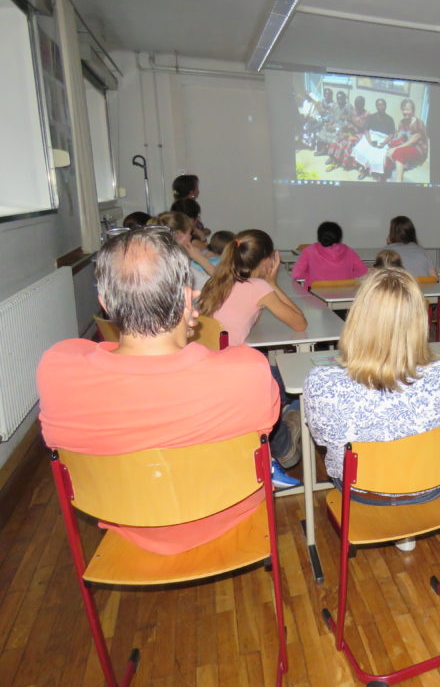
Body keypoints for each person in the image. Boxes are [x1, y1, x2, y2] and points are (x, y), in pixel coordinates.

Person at [36, 228, 293, 556]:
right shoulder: (248, 370)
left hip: (127, 522)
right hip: (230, 516)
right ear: (188, 298)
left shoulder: (56, 370)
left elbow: (93, 354)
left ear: (105, 303)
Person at [304, 268, 440, 550]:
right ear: (419, 321)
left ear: (357, 319)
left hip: (360, 489)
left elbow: (322, 440)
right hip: (430, 484)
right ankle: (405, 526)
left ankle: (396, 512)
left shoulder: (321, 382)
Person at [198, 229, 307, 345]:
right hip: (227, 358)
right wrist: (272, 284)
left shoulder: (216, 280)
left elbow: (252, 320)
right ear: (266, 261)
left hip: (203, 355)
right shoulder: (258, 287)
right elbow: (301, 324)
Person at [151, 211, 216, 289]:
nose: (191, 237)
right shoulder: (181, 267)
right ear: (180, 236)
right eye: (190, 233)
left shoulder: (157, 261)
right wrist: (200, 259)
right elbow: (219, 285)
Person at [291, 221, 368, 284]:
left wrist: (310, 276)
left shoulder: (309, 251)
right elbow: (363, 272)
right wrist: (348, 276)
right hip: (345, 296)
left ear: (319, 236)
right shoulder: (349, 251)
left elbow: (296, 274)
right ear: (339, 237)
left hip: (315, 296)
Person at [384, 98, 429, 182]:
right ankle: (386, 175)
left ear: (413, 111)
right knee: (389, 147)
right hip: (407, 145)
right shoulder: (402, 122)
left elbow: (412, 141)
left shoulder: (418, 123)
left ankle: (398, 180)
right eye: (404, 109)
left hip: (418, 149)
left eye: (408, 109)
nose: (405, 112)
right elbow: (400, 137)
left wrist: (396, 148)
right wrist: (392, 145)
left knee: (398, 152)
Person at [351, 98, 397, 180]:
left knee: (380, 154)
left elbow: (391, 134)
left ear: (385, 106)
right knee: (364, 148)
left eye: (382, 105)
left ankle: (377, 173)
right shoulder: (371, 117)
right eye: (379, 105)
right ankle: (363, 170)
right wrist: (370, 141)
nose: (381, 107)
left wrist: (384, 142)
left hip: (384, 139)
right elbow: (366, 130)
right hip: (371, 137)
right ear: (376, 106)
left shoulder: (390, 119)